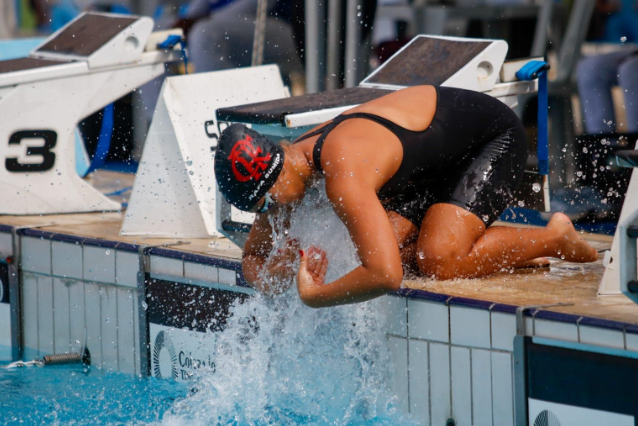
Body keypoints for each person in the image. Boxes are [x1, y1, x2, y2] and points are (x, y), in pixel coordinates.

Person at [214, 85, 599, 308]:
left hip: (488, 140)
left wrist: (316, 296)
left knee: (436, 259)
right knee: (400, 252)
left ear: (276, 170)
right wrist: (270, 277)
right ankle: (509, 254)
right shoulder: (283, 173)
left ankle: (555, 237)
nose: (269, 214)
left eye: (264, 203)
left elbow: (384, 276)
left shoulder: (343, 172)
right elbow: (253, 255)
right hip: (423, 168)